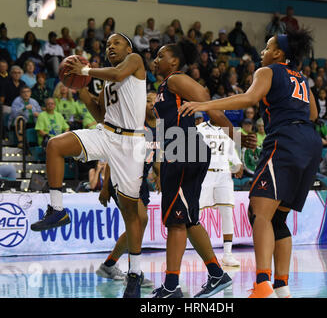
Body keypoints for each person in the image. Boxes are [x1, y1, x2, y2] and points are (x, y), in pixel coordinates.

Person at [179, 28, 321, 298]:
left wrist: (204, 105)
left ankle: (263, 284)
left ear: (279, 53)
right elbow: (313, 112)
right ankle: (281, 286)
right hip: (310, 143)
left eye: (268, 47)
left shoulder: (268, 71)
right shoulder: (302, 78)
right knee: (278, 218)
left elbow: (248, 99)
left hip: (285, 140)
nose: (263, 52)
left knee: (258, 212)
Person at [30, 33, 147, 299]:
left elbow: (117, 74)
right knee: (55, 145)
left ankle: (134, 275)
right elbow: (101, 115)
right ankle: (57, 209)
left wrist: (84, 70)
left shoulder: (134, 61)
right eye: (107, 46)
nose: (110, 47)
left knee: (132, 213)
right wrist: (80, 89)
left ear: (128, 47)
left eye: (116, 43)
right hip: (107, 133)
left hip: (130, 143)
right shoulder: (106, 85)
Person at [151, 39, 236, 298]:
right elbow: (163, 128)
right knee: (186, 220)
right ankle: (217, 274)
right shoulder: (164, 88)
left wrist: (231, 133)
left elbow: (206, 100)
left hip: (186, 148)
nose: (155, 60)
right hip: (176, 150)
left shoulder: (176, 79)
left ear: (174, 61)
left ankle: (171, 286)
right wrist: (159, 162)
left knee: (177, 221)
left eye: (160, 55)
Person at [95, 91, 159, 288]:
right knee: (142, 220)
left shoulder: (162, 129)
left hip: (140, 183)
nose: (152, 104)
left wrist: (160, 176)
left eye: (156, 101)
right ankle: (134, 273)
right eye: (148, 100)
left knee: (137, 225)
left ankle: (109, 265)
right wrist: (105, 187)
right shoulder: (134, 125)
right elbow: (115, 156)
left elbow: (157, 158)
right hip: (121, 179)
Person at [196, 119, 243, 267]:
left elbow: (231, 152)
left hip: (224, 174)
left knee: (227, 212)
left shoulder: (226, 129)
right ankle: (192, 250)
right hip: (205, 174)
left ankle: (227, 254)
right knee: (194, 213)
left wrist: (238, 163)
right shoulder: (200, 128)